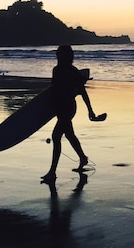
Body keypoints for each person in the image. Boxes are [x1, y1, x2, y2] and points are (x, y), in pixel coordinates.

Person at [41, 45, 104, 183]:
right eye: (58, 53)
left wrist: (90, 110)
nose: (57, 55)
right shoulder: (56, 70)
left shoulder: (72, 71)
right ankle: (82, 157)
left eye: (60, 53)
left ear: (66, 55)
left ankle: (52, 172)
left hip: (68, 108)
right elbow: (52, 89)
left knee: (56, 136)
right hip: (59, 107)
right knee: (69, 135)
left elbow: (82, 91)